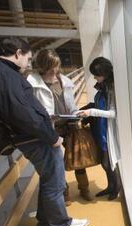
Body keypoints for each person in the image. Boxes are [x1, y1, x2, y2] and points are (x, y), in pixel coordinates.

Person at [0, 37, 88, 226]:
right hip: (35, 137)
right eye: (28, 59)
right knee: (55, 183)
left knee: (49, 180)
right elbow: (21, 112)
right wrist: (51, 136)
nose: (28, 64)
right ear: (18, 53)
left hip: (30, 136)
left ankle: (44, 224)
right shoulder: (4, 75)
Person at [27, 49, 92, 206]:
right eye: (51, 66)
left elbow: (70, 103)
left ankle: (84, 188)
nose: (54, 70)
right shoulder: (33, 83)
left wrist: (76, 113)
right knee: (57, 162)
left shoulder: (63, 81)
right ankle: (65, 193)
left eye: (56, 66)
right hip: (51, 128)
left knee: (78, 157)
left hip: (69, 123)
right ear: (43, 65)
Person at [79, 57, 121, 201]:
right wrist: (88, 108)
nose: (95, 78)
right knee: (104, 161)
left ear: (105, 73)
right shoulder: (103, 86)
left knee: (108, 161)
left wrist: (91, 112)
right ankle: (111, 186)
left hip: (107, 129)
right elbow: (98, 104)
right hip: (99, 127)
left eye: (97, 75)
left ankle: (116, 187)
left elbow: (114, 113)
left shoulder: (113, 89)